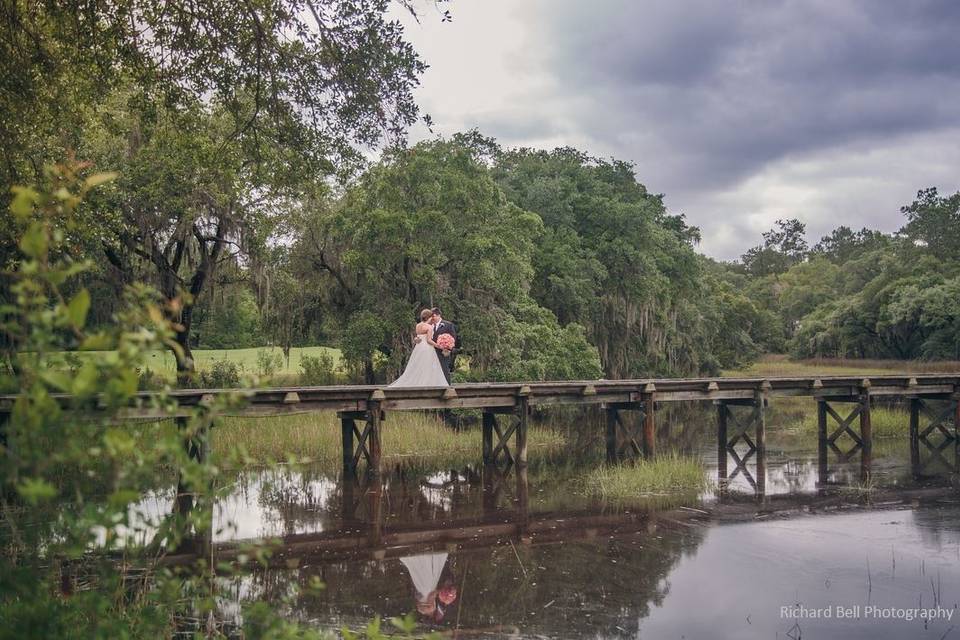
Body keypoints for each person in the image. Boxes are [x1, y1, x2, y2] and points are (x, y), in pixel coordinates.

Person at [388, 309, 449, 388]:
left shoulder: (418, 325)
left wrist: (417, 340)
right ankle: (427, 383)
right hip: (427, 348)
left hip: (419, 347)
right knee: (428, 366)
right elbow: (429, 340)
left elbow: (417, 337)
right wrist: (439, 346)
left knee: (419, 364)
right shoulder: (429, 327)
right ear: (429, 317)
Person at [430, 308, 459, 384]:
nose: (432, 318)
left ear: (439, 315)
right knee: (433, 370)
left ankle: (447, 386)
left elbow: (453, 337)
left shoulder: (448, 325)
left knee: (445, 369)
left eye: (434, 316)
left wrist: (448, 347)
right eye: (431, 316)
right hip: (431, 351)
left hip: (444, 351)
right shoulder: (430, 325)